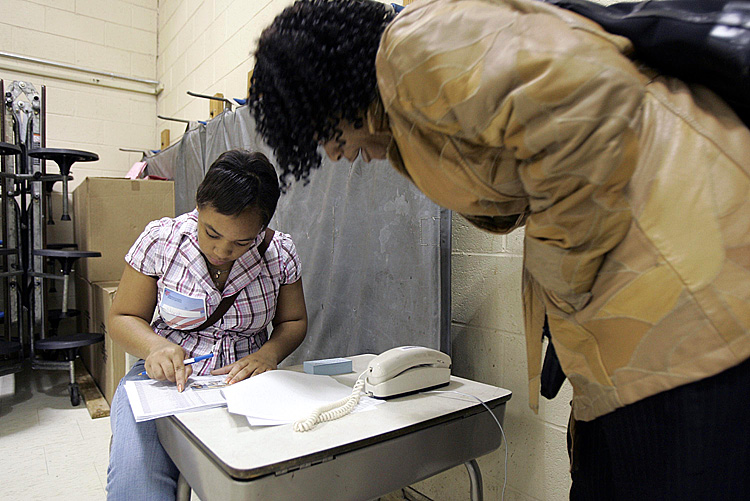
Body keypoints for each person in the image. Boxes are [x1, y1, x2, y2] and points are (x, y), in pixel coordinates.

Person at [248, 0, 750, 498]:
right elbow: (517, 182)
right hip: (642, 319)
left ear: (330, 90)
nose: (334, 154)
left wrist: (560, 274)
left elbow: (593, 101)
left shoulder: (413, 47)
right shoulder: (409, 119)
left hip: (688, 292)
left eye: (319, 133)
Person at [106, 149, 308, 499]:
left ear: (262, 227)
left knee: (262, 482)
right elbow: (123, 317)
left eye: (242, 241)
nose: (222, 251)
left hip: (247, 380)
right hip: (166, 379)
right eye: (211, 232)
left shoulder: (279, 253)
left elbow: (294, 321)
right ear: (198, 206)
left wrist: (269, 354)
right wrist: (155, 347)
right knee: (137, 484)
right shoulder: (161, 240)